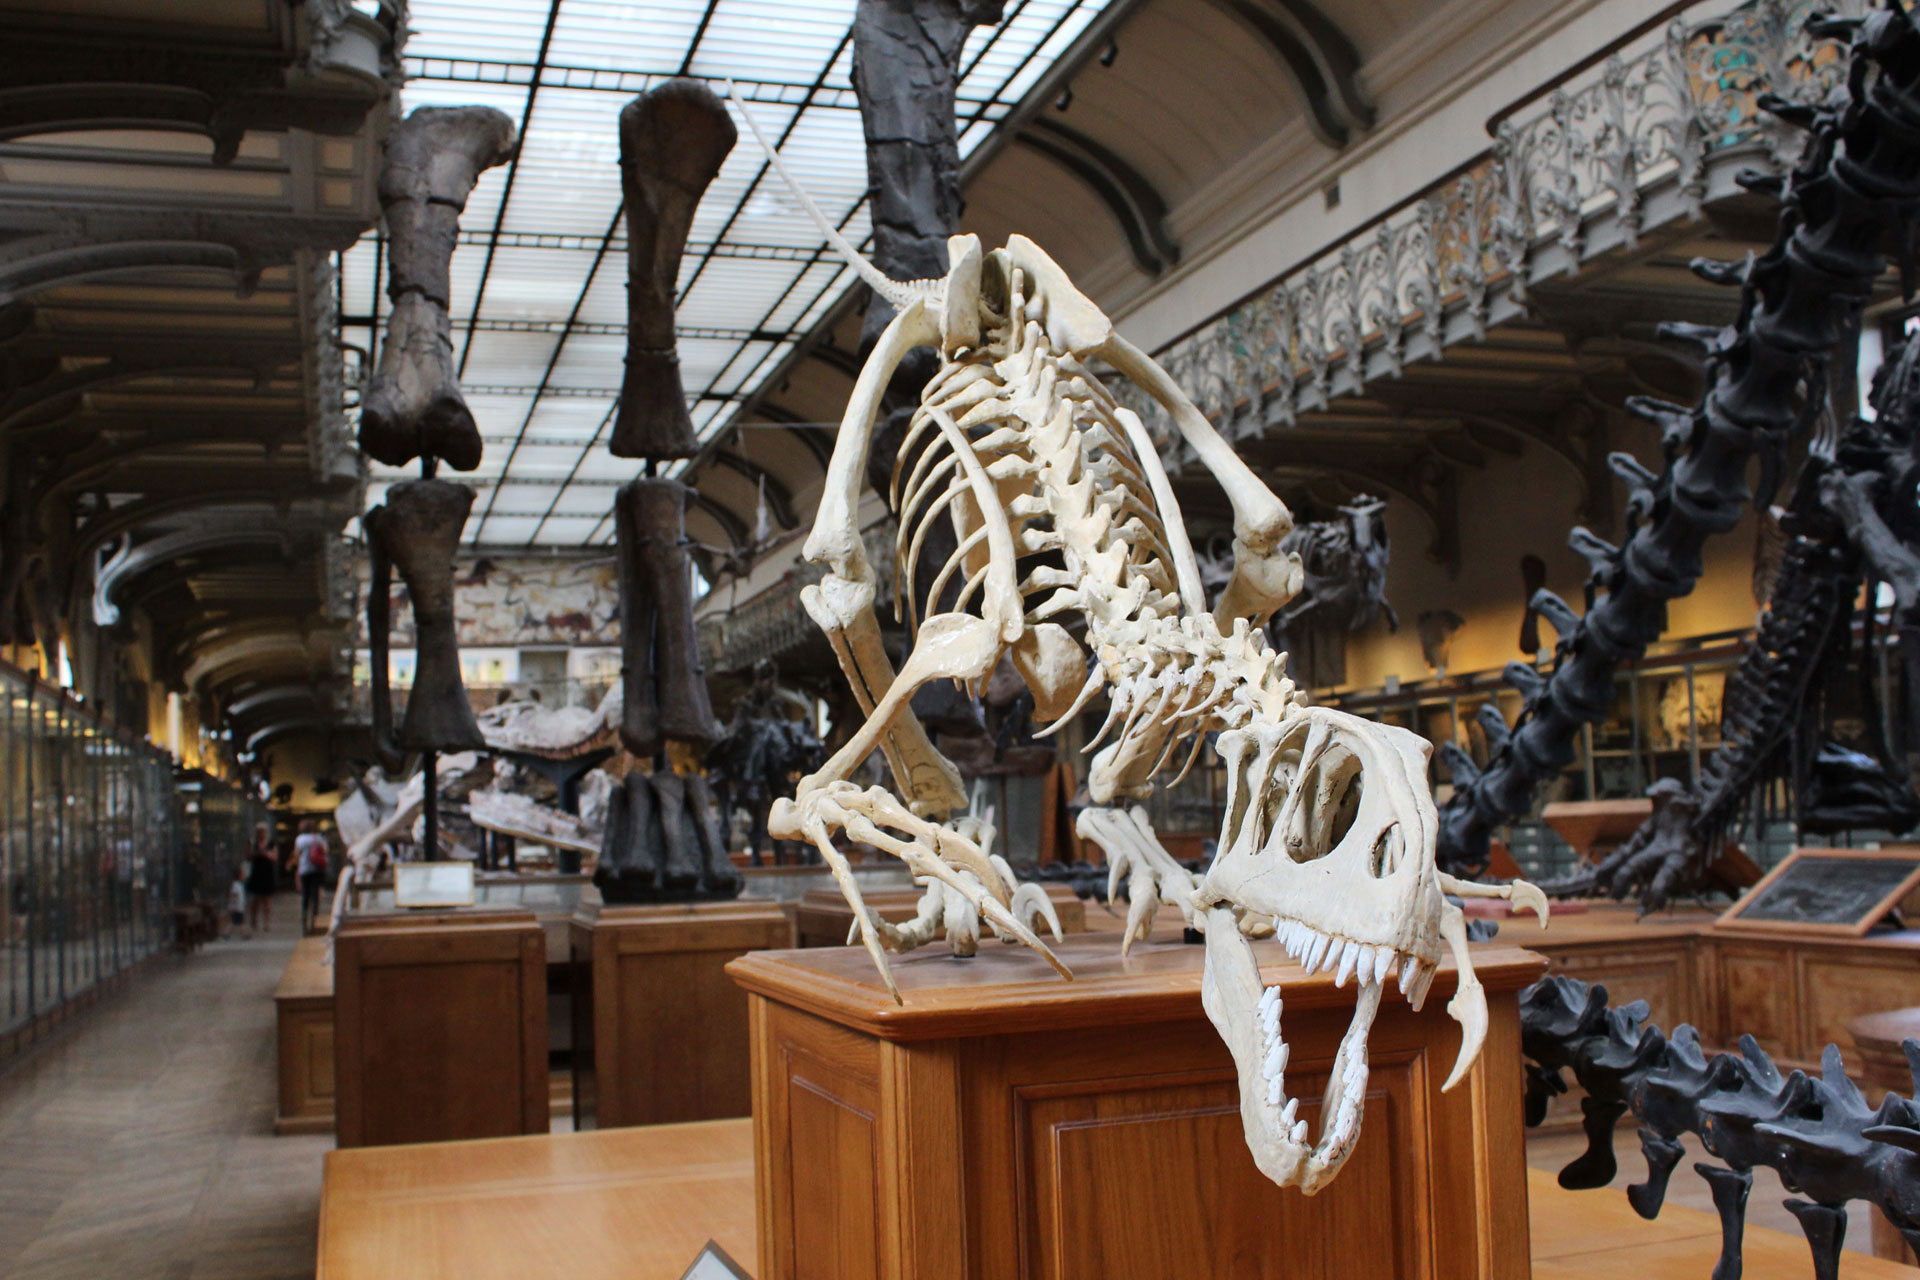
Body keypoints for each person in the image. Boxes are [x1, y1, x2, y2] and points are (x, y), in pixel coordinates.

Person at [290, 819, 329, 934]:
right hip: (316, 869)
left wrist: (297, 870)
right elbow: (325, 850)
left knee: (306, 894)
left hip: (304, 869)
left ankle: (304, 917)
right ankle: (315, 918)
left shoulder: (299, 839)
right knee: (315, 894)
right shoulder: (318, 838)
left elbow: (297, 855)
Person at [245, 824, 277, 935]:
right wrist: (258, 853)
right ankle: (254, 921)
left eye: (263, 831)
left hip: (267, 873)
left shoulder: (271, 843)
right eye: (259, 831)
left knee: (267, 900)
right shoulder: (252, 843)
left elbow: (275, 857)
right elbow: (248, 856)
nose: (261, 834)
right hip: (256, 873)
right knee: (256, 900)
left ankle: (267, 922)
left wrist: (266, 854)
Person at [224, 864, 247, 940]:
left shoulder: (239, 885)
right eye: (243, 874)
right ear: (239, 876)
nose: (244, 875)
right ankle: (244, 935)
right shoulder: (236, 885)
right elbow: (233, 896)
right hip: (237, 908)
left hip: (238, 907)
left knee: (234, 922)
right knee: (240, 922)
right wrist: (232, 906)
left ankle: (226, 934)